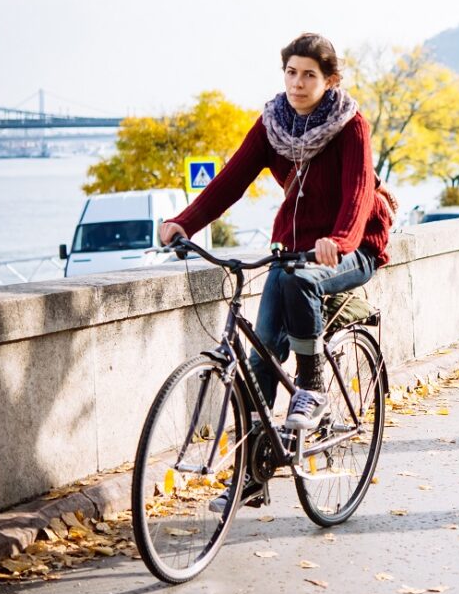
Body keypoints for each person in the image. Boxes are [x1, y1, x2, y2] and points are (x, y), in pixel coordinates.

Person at [159, 32, 392, 504]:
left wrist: (341, 241)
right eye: (291, 72)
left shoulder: (351, 126)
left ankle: (312, 389)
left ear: (329, 81)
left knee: (302, 283)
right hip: (292, 247)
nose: (298, 83)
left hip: (352, 247)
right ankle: (251, 478)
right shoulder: (273, 125)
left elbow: (358, 193)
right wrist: (184, 222)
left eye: (310, 75)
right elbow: (229, 182)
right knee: (260, 354)